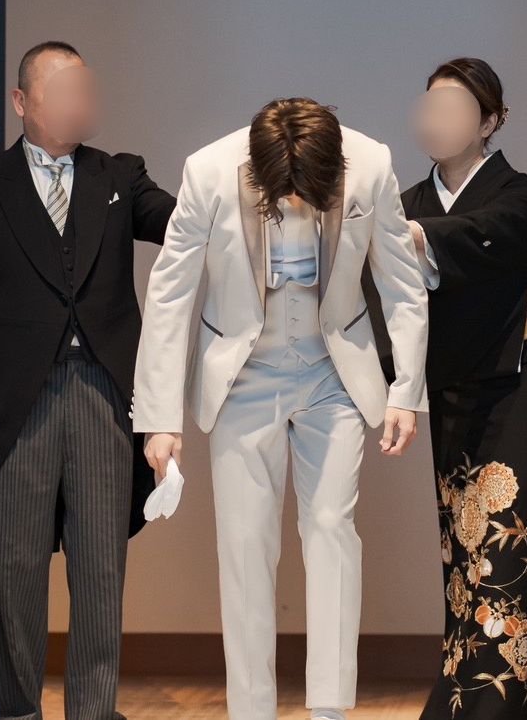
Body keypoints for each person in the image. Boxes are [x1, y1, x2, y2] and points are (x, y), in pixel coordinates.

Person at [130, 98, 429, 720]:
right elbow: (170, 293)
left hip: (333, 372)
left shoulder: (370, 164)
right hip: (242, 377)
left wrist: (406, 390)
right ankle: (251, 711)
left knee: (332, 531)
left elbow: (402, 283)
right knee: (244, 546)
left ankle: (330, 711)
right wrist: (159, 418)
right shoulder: (208, 171)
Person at [0, 40, 175, 720]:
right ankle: (16, 711)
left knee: (100, 567)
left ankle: (93, 712)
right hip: (15, 403)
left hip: (102, 392)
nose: (80, 102)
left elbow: (180, 222)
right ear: (22, 101)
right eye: (63, 89)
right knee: (13, 565)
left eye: (85, 89)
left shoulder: (119, 175)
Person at [370, 57, 527, 720]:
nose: (437, 121)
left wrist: (418, 238)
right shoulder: (407, 204)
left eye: (455, 108)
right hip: (456, 386)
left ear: (490, 122)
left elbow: (511, 234)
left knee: (510, 549)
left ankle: (485, 709)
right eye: (430, 107)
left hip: (526, 384)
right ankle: (477, 697)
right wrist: (390, 389)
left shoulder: (519, 195)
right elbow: (384, 306)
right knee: (463, 553)